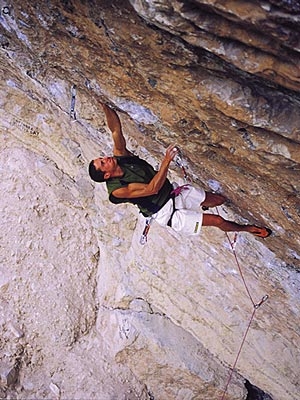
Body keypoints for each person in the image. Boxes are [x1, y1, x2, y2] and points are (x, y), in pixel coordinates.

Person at [89, 103, 271, 238]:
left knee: (219, 200)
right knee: (217, 221)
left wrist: (104, 105)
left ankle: (203, 204)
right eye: (103, 163)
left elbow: (115, 130)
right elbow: (152, 189)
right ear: (106, 175)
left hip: (172, 194)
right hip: (167, 213)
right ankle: (247, 229)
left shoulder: (121, 156)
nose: (106, 159)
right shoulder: (118, 190)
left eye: (102, 158)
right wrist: (166, 161)